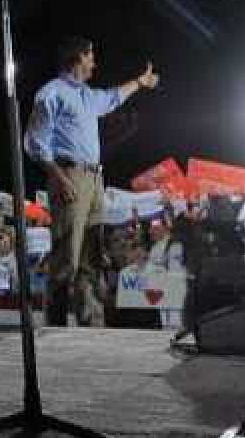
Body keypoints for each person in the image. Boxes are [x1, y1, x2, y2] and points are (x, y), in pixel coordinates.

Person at [23, 36, 158, 326]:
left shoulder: (87, 95)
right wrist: (58, 177)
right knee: (67, 255)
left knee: (91, 255)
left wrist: (139, 82)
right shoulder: (52, 93)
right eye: (91, 56)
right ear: (78, 58)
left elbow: (112, 97)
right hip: (69, 176)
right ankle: (55, 323)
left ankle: (91, 323)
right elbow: (34, 142)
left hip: (95, 178)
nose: (94, 62)